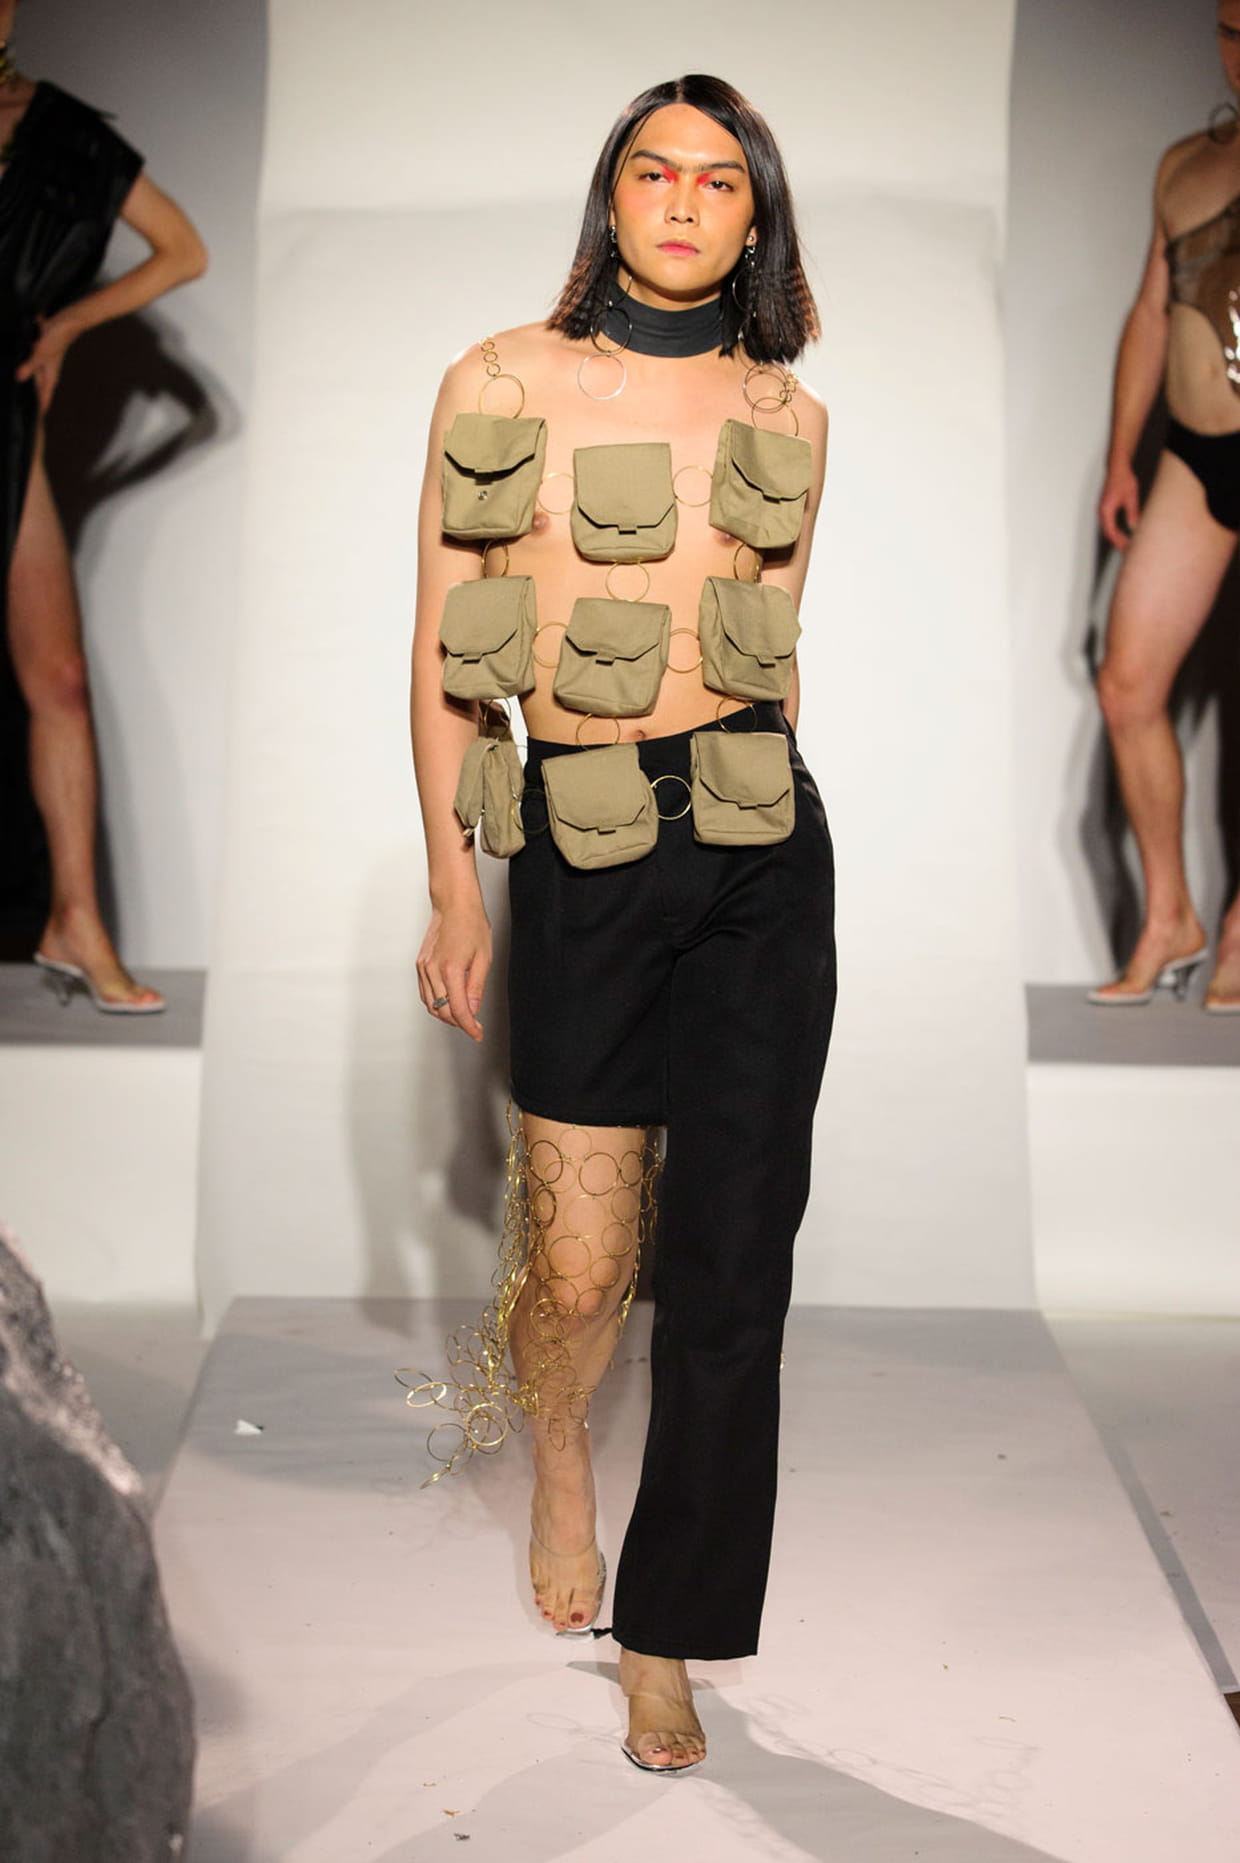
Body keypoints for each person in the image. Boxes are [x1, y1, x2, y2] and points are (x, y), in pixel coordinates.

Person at [407, 74, 835, 1774]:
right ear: (613, 197)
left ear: (755, 218)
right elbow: (448, 646)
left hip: (758, 840)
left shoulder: (789, 412)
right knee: (583, 1264)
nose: (682, 202)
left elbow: (773, 645)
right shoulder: (500, 378)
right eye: (654, 172)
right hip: (582, 839)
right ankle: (564, 1446)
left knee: (733, 1265)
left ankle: (668, 1636)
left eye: (719, 182)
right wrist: (456, 880)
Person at [0, 2, 206, 1013]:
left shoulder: (61, 131)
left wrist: (68, 324)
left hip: (8, 424)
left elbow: (183, 249)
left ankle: (75, 921)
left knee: (61, 679)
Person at [1092, 0, 1240, 1011]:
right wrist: (1120, 459)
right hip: (1194, 451)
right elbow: (1151, 311)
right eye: (1229, 28)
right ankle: (1170, 916)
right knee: (1128, 683)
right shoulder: (1185, 164)